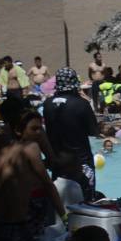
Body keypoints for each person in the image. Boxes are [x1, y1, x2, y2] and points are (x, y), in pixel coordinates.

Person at [0, 109, 65, 241]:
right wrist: (65, 216)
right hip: (18, 227)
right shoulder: (31, 148)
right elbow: (48, 184)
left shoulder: (3, 152)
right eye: (34, 129)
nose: (39, 133)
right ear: (19, 131)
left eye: (41, 129)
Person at [44, 68, 99, 201]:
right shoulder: (81, 104)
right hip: (80, 161)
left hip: (58, 161)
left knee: (60, 199)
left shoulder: (47, 104)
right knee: (86, 200)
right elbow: (94, 131)